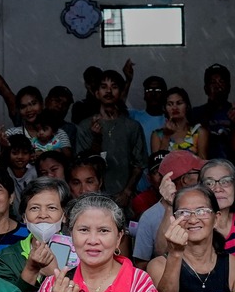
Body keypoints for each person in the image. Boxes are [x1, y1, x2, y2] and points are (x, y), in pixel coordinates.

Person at [75, 69, 148, 206]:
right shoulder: (85, 126)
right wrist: (96, 139)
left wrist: (127, 191)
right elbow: (83, 164)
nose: (108, 91)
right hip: (92, 197)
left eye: (114, 87)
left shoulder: (132, 126)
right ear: (97, 93)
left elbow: (139, 164)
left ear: (121, 93)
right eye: (104, 87)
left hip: (124, 198)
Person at [131, 151, 204, 262]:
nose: (202, 177)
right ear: (184, 180)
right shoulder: (149, 217)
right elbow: (144, 262)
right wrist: (170, 206)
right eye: (198, 172)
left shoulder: (204, 207)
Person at [195, 64, 235, 157]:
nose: (218, 86)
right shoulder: (196, 113)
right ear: (206, 89)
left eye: (221, 82)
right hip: (206, 166)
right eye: (213, 82)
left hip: (233, 167)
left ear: (229, 87)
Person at [151, 86, 206, 158]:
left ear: (187, 106)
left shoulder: (199, 132)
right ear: (164, 108)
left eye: (179, 103)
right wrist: (166, 137)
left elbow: (204, 164)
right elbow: (157, 166)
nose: (174, 107)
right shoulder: (158, 135)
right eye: (170, 104)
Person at [131, 74, 170, 145]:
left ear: (164, 95)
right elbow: (116, 106)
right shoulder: (133, 116)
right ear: (144, 95)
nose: (153, 93)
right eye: (149, 90)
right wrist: (128, 81)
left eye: (158, 90)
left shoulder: (171, 120)